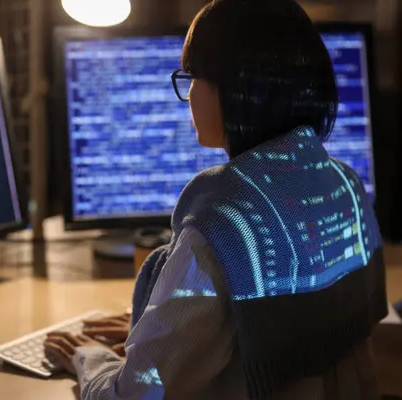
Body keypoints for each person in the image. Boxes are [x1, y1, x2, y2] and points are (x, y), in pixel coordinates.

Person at [44, 0, 388, 398]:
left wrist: (88, 358)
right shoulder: (346, 186)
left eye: (192, 77)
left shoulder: (224, 225)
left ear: (234, 89)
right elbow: (285, 328)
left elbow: (136, 395)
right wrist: (161, 332)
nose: (188, 95)